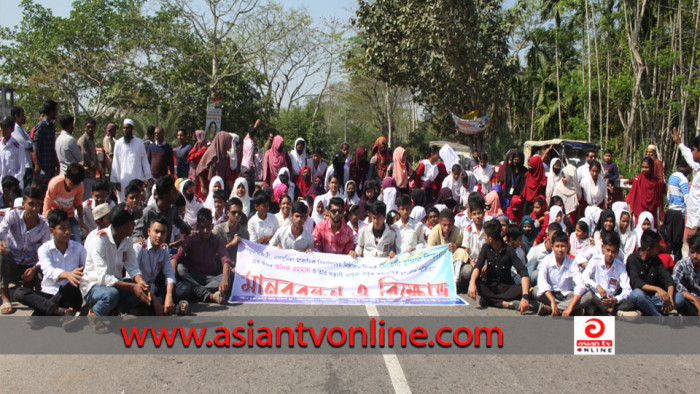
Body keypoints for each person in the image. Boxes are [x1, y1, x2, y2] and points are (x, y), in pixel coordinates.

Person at [80, 203, 150, 321]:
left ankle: (112, 311)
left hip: (113, 284)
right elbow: (104, 278)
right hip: (94, 286)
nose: (134, 225)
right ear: (123, 227)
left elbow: (132, 267)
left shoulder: (126, 240)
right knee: (111, 295)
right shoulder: (99, 240)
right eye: (131, 222)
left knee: (142, 290)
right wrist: (133, 286)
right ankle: (94, 315)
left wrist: (140, 282)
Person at [13, 209, 84, 321]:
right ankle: (61, 311)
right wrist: (67, 274)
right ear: (52, 231)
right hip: (49, 293)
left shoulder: (78, 248)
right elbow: (47, 270)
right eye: (62, 228)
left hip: (71, 295)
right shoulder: (44, 249)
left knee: (70, 286)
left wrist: (75, 276)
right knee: (19, 293)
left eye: (68, 227)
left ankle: (42, 313)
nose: (67, 232)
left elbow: (86, 268)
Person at [0, 187, 51, 314]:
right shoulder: (12, 216)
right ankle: (5, 297)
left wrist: (34, 268)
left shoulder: (44, 225)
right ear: (23, 204)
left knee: (44, 277)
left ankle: (33, 294)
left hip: (31, 265)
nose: (34, 208)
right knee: (2, 256)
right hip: (14, 262)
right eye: (31, 204)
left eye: (38, 204)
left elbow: (46, 253)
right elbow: (1, 232)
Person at [172, 208, 232, 304]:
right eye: (202, 227)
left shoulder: (217, 239)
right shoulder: (191, 239)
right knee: (180, 268)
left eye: (208, 227)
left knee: (228, 276)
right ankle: (207, 295)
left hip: (209, 278)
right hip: (192, 276)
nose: (205, 231)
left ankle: (195, 292)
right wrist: (172, 277)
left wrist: (224, 280)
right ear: (197, 227)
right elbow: (176, 257)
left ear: (212, 226)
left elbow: (226, 260)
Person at [468, 220, 531, 311]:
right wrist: (472, 283)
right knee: (474, 278)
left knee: (526, 286)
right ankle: (504, 303)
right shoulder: (486, 248)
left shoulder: (509, 250)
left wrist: (525, 297)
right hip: (490, 286)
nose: (484, 238)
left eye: (485, 235)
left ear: (490, 239)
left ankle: (490, 300)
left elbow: (523, 271)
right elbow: (478, 266)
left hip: (506, 288)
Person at [133, 216, 188, 316]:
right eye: (156, 231)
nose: (159, 235)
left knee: (183, 288)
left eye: (163, 233)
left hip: (154, 289)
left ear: (167, 234)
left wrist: (169, 296)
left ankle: (165, 306)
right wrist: (155, 301)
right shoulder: (139, 248)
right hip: (139, 290)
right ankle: (170, 308)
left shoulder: (164, 249)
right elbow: (133, 276)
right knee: (140, 302)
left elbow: (170, 274)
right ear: (149, 231)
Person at [536, 230, 591, 316]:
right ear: (552, 247)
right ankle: (568, 309)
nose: (560, 250)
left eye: (563, 246)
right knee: (536, 290)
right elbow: (542, 281)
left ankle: (551, 309)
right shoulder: (546, 261)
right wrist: (552, 301)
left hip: (567, 295)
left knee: (588, 296)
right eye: (557, 246)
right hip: (551, 294)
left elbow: (580, 284)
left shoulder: (572, 262)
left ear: (567, 247)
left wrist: (570, 307)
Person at [581, 232, 634, 316]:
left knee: (631, 302)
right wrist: (597, 286)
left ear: (617, 252)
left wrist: (616, 299)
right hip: (596, 296)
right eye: (608, 250)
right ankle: (610, 311)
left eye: (613, 252)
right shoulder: (596, 260)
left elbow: (627, 289)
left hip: (611, 299)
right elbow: (584, 276)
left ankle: (603, 309)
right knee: (589, 296)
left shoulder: (620, 266)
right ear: (603, 248)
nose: (610, 254)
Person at [626, 230, 677, 317]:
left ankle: (647, 310)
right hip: (639, 297)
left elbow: (668, 279)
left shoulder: (656, 260)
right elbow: (636, 283)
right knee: (637, 294)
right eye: (657, 248)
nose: (658, 250)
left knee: (679, 298)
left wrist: (670, 298)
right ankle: (658, 316)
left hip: (653, 299)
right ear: (649, 249)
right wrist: (657, 289)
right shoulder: (632, 259)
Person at [133, 175, 191, 242]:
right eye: (174, 191)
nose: (176, 193)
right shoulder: (148, 213)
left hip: (165, 250)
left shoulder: (172, 209)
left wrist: (191, 231)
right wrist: (139, 240)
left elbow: (181, 224)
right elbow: (137, 233)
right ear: (165, 195)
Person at [111, 119, 153, 203]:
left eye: (128, 128)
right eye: (124, 128)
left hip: (137, 178)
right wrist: (116, 180)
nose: (125, 130)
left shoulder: (139, 142)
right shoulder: (118, 143)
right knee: (123, 202)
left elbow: (144, 160)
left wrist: (149, 177)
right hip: (123, 180)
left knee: (136, 201)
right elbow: (116, 162)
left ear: (132, 128)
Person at [43, 163, 87, 243]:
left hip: (69, 216)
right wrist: (46, 220)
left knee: (76, 242)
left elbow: (78, 204)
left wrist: (81, 222)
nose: (72, 187)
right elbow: (47, 203)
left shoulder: (80, 186)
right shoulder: (55, 184)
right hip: (54, 216)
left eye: (75, 185)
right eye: (71, 184)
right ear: (66, 176)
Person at [672, 127, 700, 240]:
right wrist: (679, 143)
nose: (692, 153)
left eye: (693, 150)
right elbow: (690, 158)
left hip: (697, 225)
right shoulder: (698, 168)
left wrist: (695, 225)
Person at [427, 209, 468, 285]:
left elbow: (463, 248)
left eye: (449, 225)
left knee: (461, 252)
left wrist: (455, 247)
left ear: (453, 223)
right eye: (444, 225)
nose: (447, 228)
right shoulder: (433, 233)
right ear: (439, 223)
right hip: (438, 260)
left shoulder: (459, 233)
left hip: (452, 261)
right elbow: (430, 252)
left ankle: (455, 279)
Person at [196, 132, 236, 196]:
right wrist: (203, 187)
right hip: (208, 186)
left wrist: (233, 192)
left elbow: (228, 175)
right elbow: (199, 170)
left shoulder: (225, 155)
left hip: (220, 186)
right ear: (223, 141)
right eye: (229, 142)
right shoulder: (211, 152)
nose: (230, 146)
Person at [213, 197, 249, 263]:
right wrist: (231, 244)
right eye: (233, 212)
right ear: (227, 213)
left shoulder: (244, 233)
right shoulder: (218, 230)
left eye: (239, 213)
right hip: (220, 269)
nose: (237, 215)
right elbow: (212, 254)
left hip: (238, 268)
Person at [625, 157, 662, 222]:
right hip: (639, 212)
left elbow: (657, 199)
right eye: (643, 167)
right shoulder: (638, 180)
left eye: (647, 167)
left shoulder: (656, 181)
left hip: (651, 213)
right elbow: (631, 196)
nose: (644, 169)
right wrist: (630, 212)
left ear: (651, 167)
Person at [672, 233, 700, 316]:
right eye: (692, 252)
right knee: (679, 299)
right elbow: (676, 284)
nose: (695, 256)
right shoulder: (682, 264)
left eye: (698, 252)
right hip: (690, 302)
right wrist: (695, 300)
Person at [77, 117, 104, 200]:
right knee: (87, 199)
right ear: (84, 127)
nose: (90, 129)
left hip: (92, 175)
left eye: (92, 127)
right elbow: (86, 158)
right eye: (88, 127)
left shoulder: (91, 140)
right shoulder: (83, 140)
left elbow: (95, 157)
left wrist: (100, 169)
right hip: (86, 174)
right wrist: (98, 169)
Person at [462, 194, 487, 283]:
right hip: (472, 261)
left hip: (485, 261)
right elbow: (466, 251)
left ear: (483, 213)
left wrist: (486, 264)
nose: (477, 216)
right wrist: (472, 262)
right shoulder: (468, 230)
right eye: (474, 214)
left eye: (479, 213)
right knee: (466, 271)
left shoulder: (487, 229)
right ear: (471, 215)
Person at [32, 100, 58, 178]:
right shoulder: (41, 126)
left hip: (51, 165)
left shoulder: (51, 126)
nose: (57, 113)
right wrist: (37, 164)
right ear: (51, 111)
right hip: (43, 166)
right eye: (55, 111)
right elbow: (35, 145)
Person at [0, 116, 25, 188]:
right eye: (2, 128)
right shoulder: (0, 146)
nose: (3, 131)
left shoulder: (18, 147)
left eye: (6, 128)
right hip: (2, 186)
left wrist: (13, 184)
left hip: (15, 186)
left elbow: (21, 169)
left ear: (12, 129)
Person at [10, 106, 33, 187]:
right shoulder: (15, 129)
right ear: (16, 116)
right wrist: (29, 144)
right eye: (22, 115)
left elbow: (30, 141)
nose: (24, 117)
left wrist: (29, 144)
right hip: (24, 164)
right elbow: (23, 144)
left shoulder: (22, 129)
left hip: (28, 163)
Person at [240, 119, 261, 187]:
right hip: (248, 166)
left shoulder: (245, 140)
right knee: (249, 184)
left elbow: (250, 133)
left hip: (243, 164)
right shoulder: (251, 144)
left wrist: (255, 125)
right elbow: (249, 156)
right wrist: (248, 170)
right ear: (254, 136)